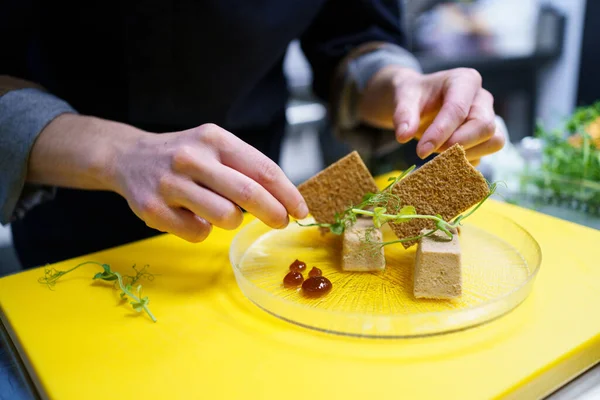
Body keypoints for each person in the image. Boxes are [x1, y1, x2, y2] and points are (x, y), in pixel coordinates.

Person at [0, 0, 504, 269]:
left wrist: (402, 87)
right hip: (67, 201)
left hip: (248, 208)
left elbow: (350, 36)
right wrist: (116, 153)